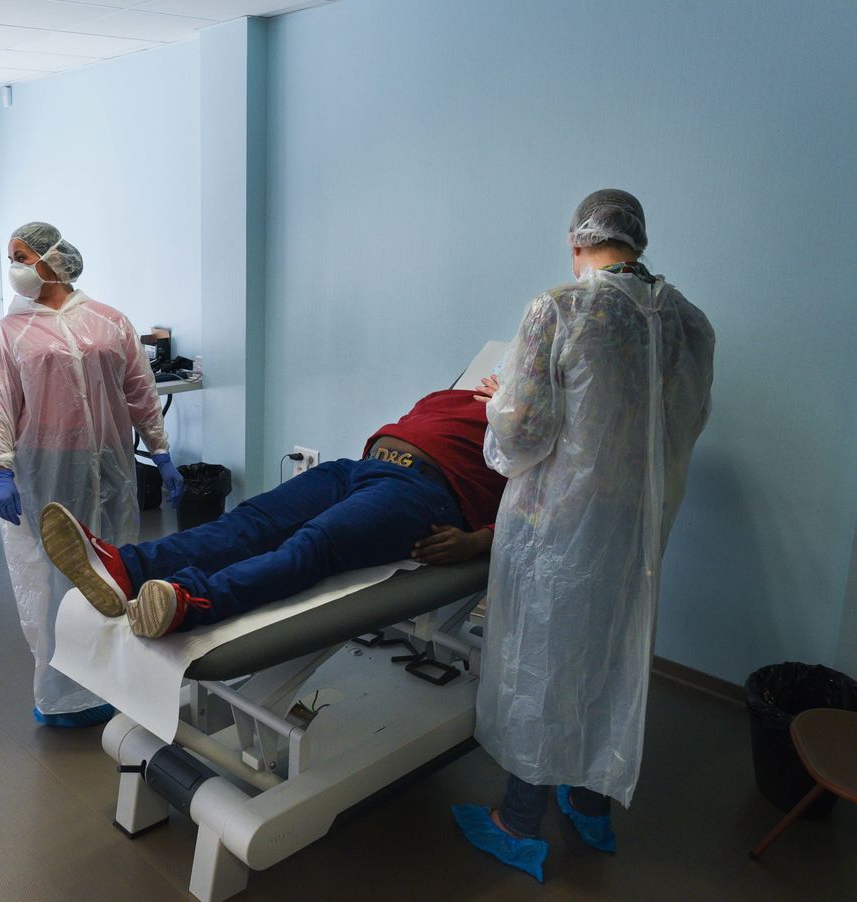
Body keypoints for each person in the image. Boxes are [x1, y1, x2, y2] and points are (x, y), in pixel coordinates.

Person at [452, 189, 715, 881]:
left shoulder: (560, 308)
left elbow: (523, 434)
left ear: (577, 243)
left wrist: (498, 403)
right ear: (636, 241)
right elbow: (681, 425)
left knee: (542, 661)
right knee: (610, 657)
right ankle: (591, 805)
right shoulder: (689, 322)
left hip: (558, 526)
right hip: (634, 527)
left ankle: (518, 820)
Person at [40, 386, 505, 637]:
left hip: (419, 493)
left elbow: (537, 509)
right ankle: (129, 568)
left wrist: (479, 539)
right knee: (250, 521)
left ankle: (192, 602)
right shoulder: (460, 394)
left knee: (312, 544)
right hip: (357, 468)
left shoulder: (530, 424)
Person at [0, 221, 184, 727]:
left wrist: (160, 452)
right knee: (57, 575)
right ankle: (62, 691)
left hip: (111, 464)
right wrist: (1, 468)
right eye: (12, 258)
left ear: (53, 259)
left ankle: (115, 679)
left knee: (113, 568)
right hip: (46, 465)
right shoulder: (13, 331)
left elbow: (140, 390)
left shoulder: (109, 322)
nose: (14, 267)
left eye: (22, 256)